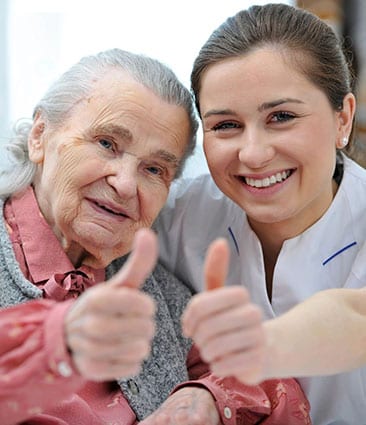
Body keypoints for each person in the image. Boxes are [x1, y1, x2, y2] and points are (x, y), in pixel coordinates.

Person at [0, 48, 310, 425]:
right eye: (106, 143)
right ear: (39, 136)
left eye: (154, 169)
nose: (126, 184)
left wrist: (205, 400)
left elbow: (271, 379)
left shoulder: (149, 289)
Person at [155, 3, 366, 425]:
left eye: (282, 117)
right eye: (226, 125)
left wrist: (259, 349)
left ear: (342, 117)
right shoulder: (177, 215)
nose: (253, 154)